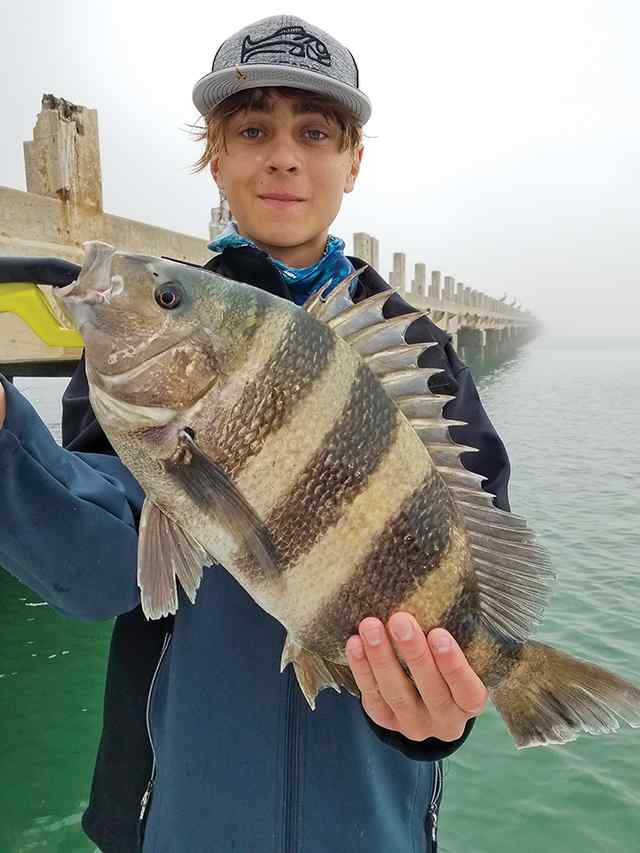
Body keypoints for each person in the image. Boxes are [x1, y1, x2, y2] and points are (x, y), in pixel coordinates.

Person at [0, 15, 513, 852]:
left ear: (353, 160)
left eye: (314, 132)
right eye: (251, 130)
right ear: (215, 157)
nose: (283, 156)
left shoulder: (423, 358)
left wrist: (435, 716)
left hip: (372, 825)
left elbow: (466, 568)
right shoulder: (141, 361)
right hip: (182, 820)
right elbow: (98, 570)